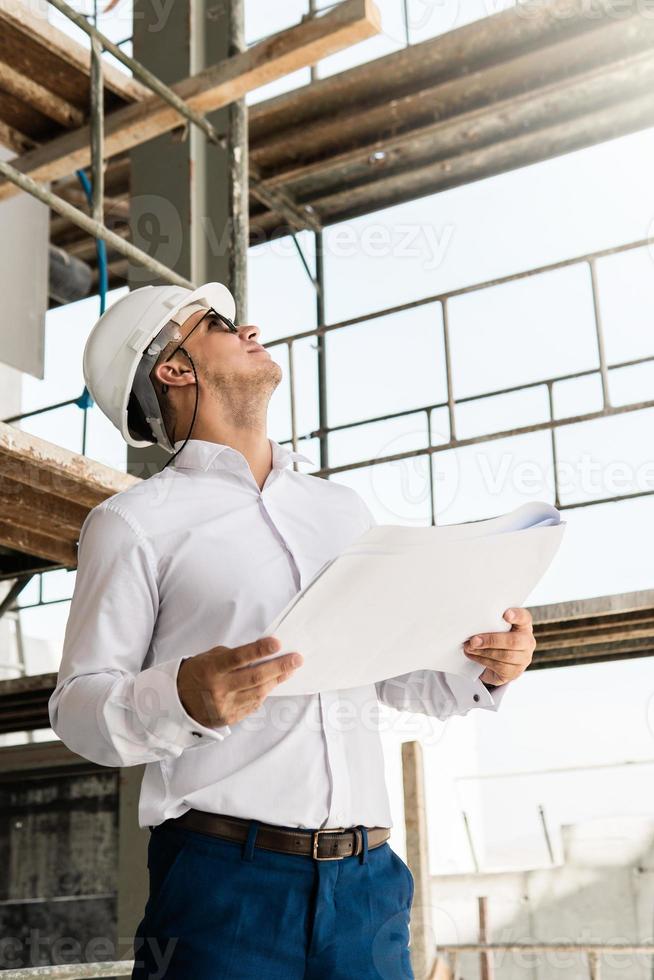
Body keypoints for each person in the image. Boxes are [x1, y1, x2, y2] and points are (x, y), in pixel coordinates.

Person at [49, 282, 536, 980]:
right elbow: (78, 709)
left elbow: (395, 672)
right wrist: (180, 697)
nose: (247, 327)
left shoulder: (340, 512)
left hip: (369, 891)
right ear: (175, 369)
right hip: (224, 892)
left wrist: (486, 666)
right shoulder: (133, 525)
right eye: (217, 323)